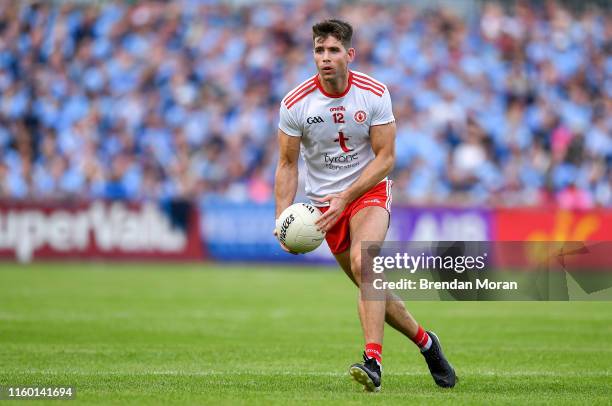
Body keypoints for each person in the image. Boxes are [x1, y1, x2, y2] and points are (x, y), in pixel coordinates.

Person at [273, 19, 456, 392]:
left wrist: (347, 196)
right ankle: (427, 342)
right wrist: (282, 220)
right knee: (371, 286)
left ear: (349, 54)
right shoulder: (295, 103)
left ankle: (372, 362)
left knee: (365, 261)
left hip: (367, 191)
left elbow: (386, 158)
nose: (325, 58)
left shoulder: (373, 93)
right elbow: (288, 165)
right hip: (324, 208)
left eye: (333, 50)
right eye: (319, 51)